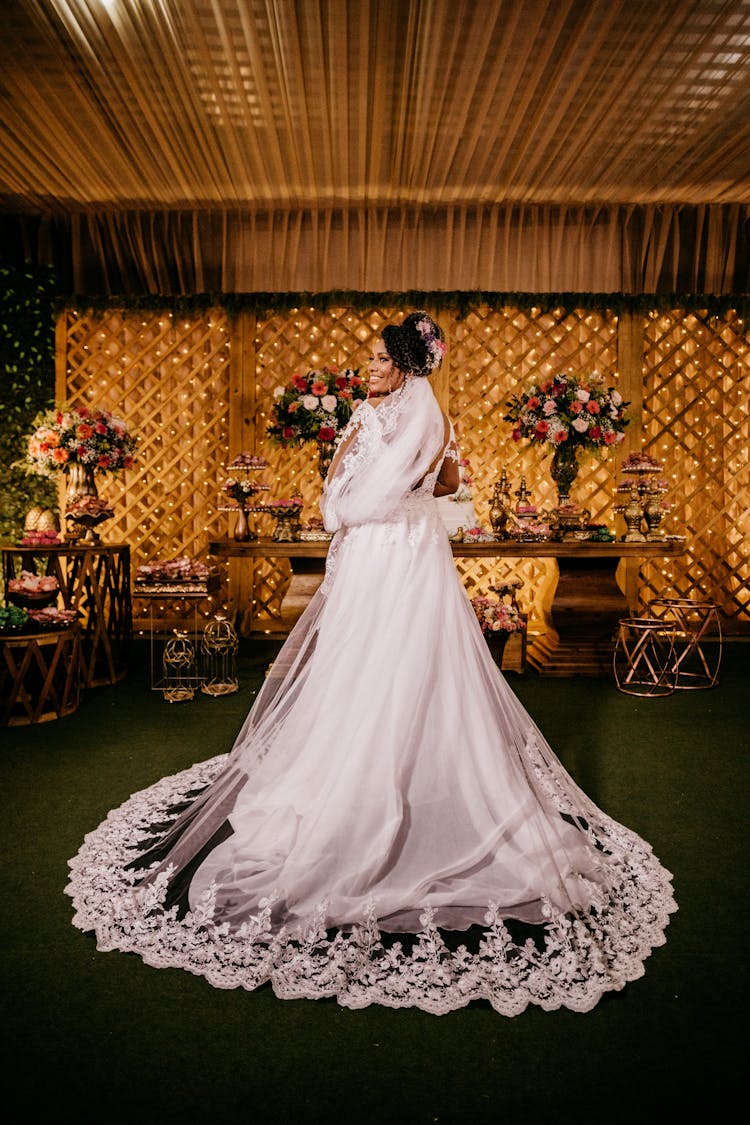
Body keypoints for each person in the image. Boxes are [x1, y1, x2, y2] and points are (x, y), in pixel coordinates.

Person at [66, 311, 676, 1016]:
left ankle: (388, 785)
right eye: (373, 358)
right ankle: (397, 769)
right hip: (409, 553)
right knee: (384, 667)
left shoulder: (379, 417)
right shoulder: (421, 419)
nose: (371, 366)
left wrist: (357, 510)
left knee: (395, 665)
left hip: (386, 558)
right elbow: (446, 484)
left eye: (382, 358)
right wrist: (400, 494)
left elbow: (344, 498)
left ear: (407, 365)